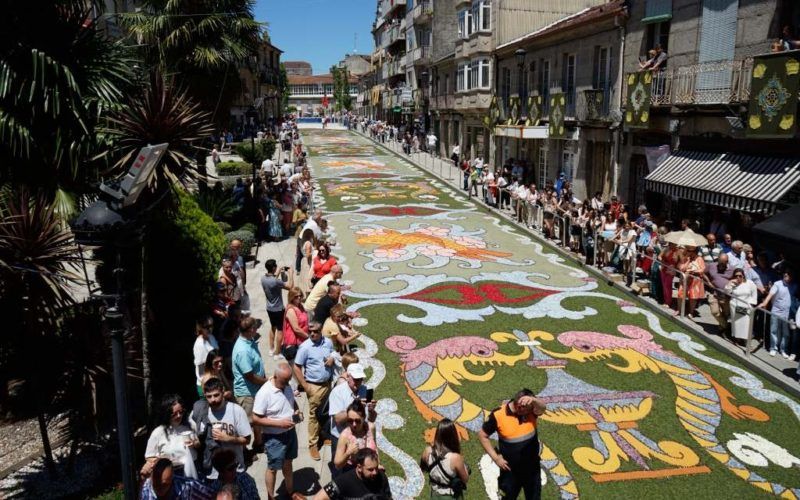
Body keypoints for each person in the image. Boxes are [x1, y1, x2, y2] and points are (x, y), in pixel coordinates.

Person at [478, 389, 547, 500]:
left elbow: (542, 408)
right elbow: (482, 435)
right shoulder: (498, 415)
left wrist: (533, 400)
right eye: (529, 409)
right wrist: (496, 458)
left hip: (532, 467)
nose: (532, 411)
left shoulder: (531, 411)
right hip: (511, 471)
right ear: (520, 407)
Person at [253, 363, 303, 500]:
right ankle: (271, 497)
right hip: (274, 437)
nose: (287, 384)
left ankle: (290, 492)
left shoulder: (287, 385)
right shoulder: (264, 393)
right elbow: (256, 418)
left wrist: (297, 410)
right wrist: (279, 424)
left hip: (290, 433)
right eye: (284, 381)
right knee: (273, 468)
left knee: (288, 463)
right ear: (275, 376)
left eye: (289, 380)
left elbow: (292, 401)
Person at [293, 321, 335, 461]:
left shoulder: (328, 342)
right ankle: (313, 444)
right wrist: (305, 386)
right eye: (310, 331)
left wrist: (332, 359)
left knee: (326, 412)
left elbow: (333, 354)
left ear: (321, 330)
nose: (312, 334)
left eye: (316, 331)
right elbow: (296, 367)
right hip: (314, 386)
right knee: (314, 416)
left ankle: (323, 435)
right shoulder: (305, 347)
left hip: (327, 384)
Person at [198, 377, 252, 477]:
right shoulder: (201, 412)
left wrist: (228, 438)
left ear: (223, 392)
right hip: (212, 473)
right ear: (205, 395)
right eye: (209, 396)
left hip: (234, 469)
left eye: (216, 395)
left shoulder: (236, 411)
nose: (213, 400)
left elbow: (247, 440)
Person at [142, 395, 200, 479]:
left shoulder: (190, 425)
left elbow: (198, 444)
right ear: (166, 414)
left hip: (193, 468)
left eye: (181, 412)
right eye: (174, 414)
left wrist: (195, 443)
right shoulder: (158, 432)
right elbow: (149, 456)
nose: (179, 416)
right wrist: (163, 460)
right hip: (172, 473)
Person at [232, 317, 267, 454]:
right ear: (251, 329)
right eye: (256, 327)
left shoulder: (249, 341)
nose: (257, 329)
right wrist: (267, 382)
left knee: (256, 420)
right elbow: (249, 375)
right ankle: (244, 452)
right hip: (247, 394)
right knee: (246, 425)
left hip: (254, 390)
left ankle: (258, 443)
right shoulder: (243, 351)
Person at [328, 364, 373, 466]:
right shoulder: (337, 392)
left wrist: (371, 411)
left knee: (360, 467)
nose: (358, 382)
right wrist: (355, 405)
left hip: (360, 436)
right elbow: (338, 419)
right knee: (339, 468)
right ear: (348, 377)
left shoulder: (364, 390)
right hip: (341, 438)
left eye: (360, 379)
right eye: (356, 379)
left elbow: (369, 419)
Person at [420, 418, 470, 499]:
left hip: (435, 495)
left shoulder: (427, 451)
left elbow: (423, 468)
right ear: (453, 435)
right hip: (451, 496)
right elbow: (465, 479)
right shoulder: (455, 458)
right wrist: (465, 467)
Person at [314, 449, 392, 500]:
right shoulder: (343, 481)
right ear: (359, 467)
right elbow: (319, 498)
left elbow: (387, 497)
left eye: (376, 468)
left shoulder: (381, 476)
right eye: (370, 469)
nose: (375, 472)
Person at [333, 399, 378, 474]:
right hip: (353, 472)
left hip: (371, 472)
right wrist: (348, 453)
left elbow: (375, 450)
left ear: (364, 418)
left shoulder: (371, 428)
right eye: (350, 421)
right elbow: (337, 465)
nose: (354, 424)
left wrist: (378, 465)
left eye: (357, 421)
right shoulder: (345, 436)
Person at [759, 271, 797, 358]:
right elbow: (770, 294)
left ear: (791, 276)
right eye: (785, 273)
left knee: (786, 333)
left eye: (789, 274)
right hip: (776, 311)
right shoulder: (777, 284)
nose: (786, 275)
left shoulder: (794, 286)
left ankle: (783, 350)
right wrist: (765, 303)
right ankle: (773, 348)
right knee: (774, 330)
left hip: (787, 313)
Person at [261, 259, 294, 360]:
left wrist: (278, 271)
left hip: (269, 308)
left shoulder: (263, 278)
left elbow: (272, 281)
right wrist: (291, 274)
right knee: (280, 330)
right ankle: (277, 353)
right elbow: (290, 286)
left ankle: (271, 349)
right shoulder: (276, 281)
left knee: (273, 327)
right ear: (273, 268)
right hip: (278, 309)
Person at [141, 458, 214, 500]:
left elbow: (215, 496)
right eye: (156, 484)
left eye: (165, 485)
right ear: (151, 478)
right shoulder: (144, 488)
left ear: (172, 478)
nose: (160, 488)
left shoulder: (187, 486)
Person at [704, 253, 735, 335]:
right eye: (719, 262)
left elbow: (737, 279)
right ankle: (726, 326)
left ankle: (722, 328)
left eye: (722, 263)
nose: (720, 265)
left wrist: (732, 282)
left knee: (726, 314)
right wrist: (708, 282)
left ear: (727, 262)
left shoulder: (732, 269)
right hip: (713, 293)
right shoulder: (711, 265)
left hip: (726, 296)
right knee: (715, 312)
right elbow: (703, 273)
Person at [727, 268, 759, 347]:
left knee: (746, 325)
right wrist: (730, 283)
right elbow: (727, 292)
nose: (738, 277)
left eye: (740, 276)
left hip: (746, 307)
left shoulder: (749, 283)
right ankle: (737, 339)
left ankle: (746, 342)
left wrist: (752, 304)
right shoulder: (733, 284)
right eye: (736, 276)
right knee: (737, 324)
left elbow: (754, 293)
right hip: (735, 306)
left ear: (743, 276)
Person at [282, 287, 309, 364]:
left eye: (300, 295)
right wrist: (308, 336)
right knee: (296, 366)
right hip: (294, 343)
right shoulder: (291, 310)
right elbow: (296, 329)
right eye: (296, 296)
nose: (299, 298)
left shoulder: (300, 306)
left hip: (302, 340)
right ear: (291, 297)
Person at [676, 246, 705, 317]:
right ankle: (679, 310)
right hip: (685, 280)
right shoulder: (685, 258)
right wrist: (688, 261)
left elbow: (702, 270)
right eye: (688, 251)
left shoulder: (699, 259)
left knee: (693, 297)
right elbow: (681, 268)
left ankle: (691, 312)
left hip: (695, 280)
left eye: (690, 251)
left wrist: (693, 271)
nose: (689, 252)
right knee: (680, 294)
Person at [194, 316, 219, 396]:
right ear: (200, 328)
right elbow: (200, 370)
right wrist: (206, 385)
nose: (210, 329)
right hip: (206, 384)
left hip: (215, 378)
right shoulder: (199, 345)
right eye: (206, 327)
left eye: (211, 326)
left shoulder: (211, 337)